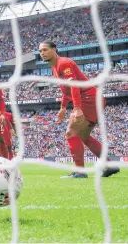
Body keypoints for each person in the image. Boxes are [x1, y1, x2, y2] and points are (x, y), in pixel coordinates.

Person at [38, 41, 120, 178]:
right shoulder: (54, 68)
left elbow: (74, 85)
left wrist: (76, 108)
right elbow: (66, 91)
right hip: (93, 99)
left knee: (71, 132)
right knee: (84, 136)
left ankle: (80, 172)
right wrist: (63, 107)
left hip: (88, 98)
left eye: (45, 50)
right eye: (40, 51)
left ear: (54, 49)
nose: (42, 53)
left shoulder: (64, 63)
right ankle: (109, 165)